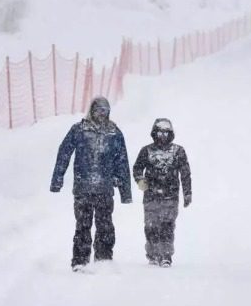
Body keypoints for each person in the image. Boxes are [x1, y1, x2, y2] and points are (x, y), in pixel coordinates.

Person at [50, 96, 132, 271]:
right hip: (83, 188)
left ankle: (103, 261)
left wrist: (125, 192)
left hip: (105, 189)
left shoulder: (114, 133)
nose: (102, 114)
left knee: (105, 226)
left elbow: (122, 161)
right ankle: (80, 261)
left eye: (105, 111)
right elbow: (64, 153)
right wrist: (57, 180)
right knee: (83, 226)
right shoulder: (79, 130)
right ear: (91, 111)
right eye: (98, 110)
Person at [132, 118, 192, 267]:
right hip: (151, 195)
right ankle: (152, 254)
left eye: (166, 132)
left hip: (170, 196)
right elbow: (137, 168)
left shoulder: (178, 151)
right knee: (151, 226)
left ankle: (166, 255)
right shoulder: (146, 151)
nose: (163, 135)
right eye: (160, 132)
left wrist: (187, 193)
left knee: (167, 226)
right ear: (154, 133)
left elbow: (185, 173)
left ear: (170, 134)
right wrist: (140, 180)